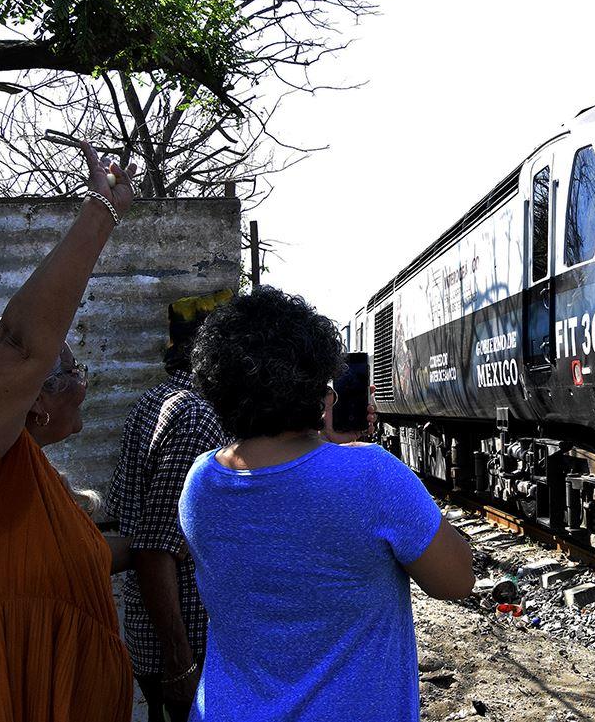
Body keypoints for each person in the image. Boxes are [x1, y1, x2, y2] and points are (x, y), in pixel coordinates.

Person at [179, 286, 475, 722]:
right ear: (319, 389)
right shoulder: (372, 475)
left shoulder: (200, 482)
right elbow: (456, 580)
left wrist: (322, 448)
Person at [0, 143, 137, 721]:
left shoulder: (34, 481)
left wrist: (170, 540)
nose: (85, 383)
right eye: (73, 371)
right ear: (32, 404)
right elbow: (21, 347)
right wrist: (99, 213)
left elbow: (62, 563)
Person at [109, 289, 233, 722]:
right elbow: (154, 546)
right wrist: (179, 658)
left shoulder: (151, 402)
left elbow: (127, 519)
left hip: (153, 639)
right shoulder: (199, 415)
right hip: (185, 643)